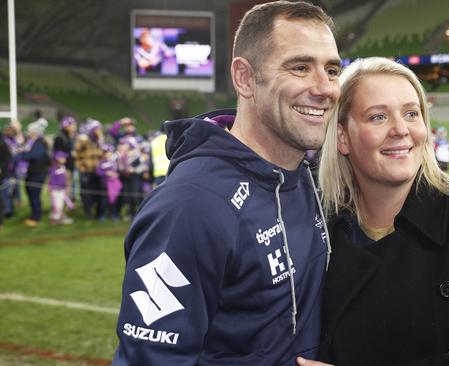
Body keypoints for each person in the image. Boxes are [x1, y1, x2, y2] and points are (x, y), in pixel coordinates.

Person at [112, 1, 341, 365]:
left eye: (331, 70)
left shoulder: (304, 178)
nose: (325, 88)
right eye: (299, 67)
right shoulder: (192, 205)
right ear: (245, 78)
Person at [299, 57, 449, 366]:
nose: (400, 130)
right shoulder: (318, 227)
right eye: (378, 117)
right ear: (342, 136)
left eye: (411, 113)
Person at [21, 118, 50, 227]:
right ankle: (34, 215)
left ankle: (36, 217)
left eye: (30, 131)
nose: (28, 133)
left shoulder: (39, 142)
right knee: (31, 194)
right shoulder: (33, 142)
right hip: (33, 172)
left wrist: (23, 155)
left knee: (34, 196)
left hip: (38, 173)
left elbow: (35, 156)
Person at [48, 151, 74, 225]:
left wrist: (67, 186)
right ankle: (55, 219)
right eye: (63, 157)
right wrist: (50, 188)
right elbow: (51, 179)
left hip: (62, 189)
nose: (65, 159)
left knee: (61, 204)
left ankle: (61, 217)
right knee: (57, 205)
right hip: (55, 190)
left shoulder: (63, 167)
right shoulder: (54, 168)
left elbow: (65, 178)